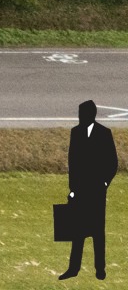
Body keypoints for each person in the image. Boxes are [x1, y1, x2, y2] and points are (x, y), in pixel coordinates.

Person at [66, 99, 117, 280]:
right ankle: (74, 268)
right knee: (77, 231)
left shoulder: (104, 133)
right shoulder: (76, 132)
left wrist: (104, 183)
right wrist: (72, 189)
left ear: (91, 115)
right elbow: (72, 163)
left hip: (96, 191)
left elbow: (112, 163)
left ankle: (100, 269)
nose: (80, 117)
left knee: (97, 231)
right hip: (80, 190)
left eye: (83, 114)